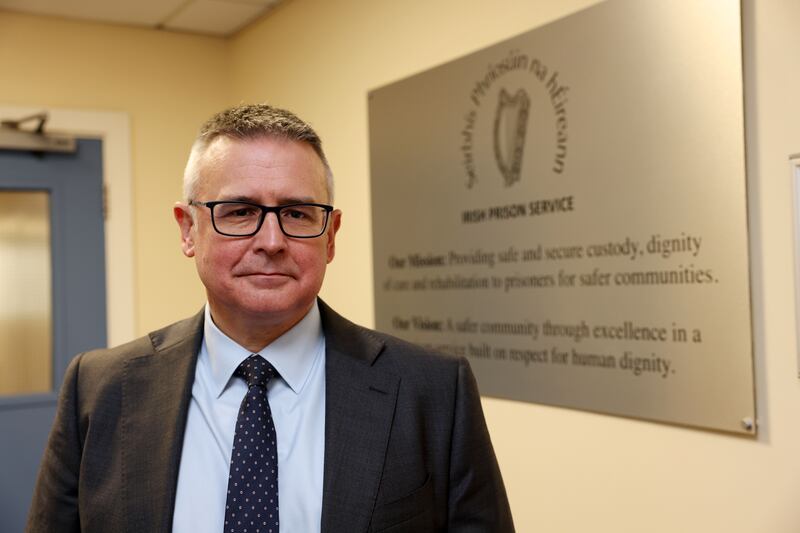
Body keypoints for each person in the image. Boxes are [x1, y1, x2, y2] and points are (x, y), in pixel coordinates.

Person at [26, 104, 514, 532]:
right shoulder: (99, 390)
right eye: (239, 211)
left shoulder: (431, 392)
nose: (272, 241)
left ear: (331, 235)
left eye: (298, 214)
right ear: (188, 229)